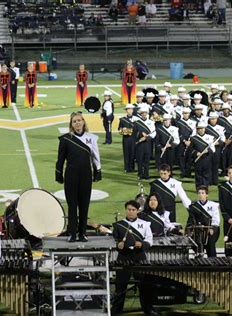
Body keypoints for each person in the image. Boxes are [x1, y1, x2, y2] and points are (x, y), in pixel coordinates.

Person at [56, 112, 102, 242]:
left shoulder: (91, 138)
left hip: (86, 174)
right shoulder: (65, 139)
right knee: (72, 205)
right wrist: (58, 174)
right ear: (71, 124)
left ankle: (83, 233)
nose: (77, 123)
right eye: (74, 121)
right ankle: (71, 233)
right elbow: (60, 159)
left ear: (83, 122)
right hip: (71, 175)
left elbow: (95, 156)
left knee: (84, 204)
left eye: (79, 120)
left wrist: (97, 171)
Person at [111, 200, 155, 315]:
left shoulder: (145, 224)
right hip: (123, 257)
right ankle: (116, 311)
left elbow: (150, 240)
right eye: (129, 210)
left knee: (144, 285)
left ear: (137, 211)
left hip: (139, 256)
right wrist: (118, 245)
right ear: (126, 210)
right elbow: (114, 241)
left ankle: (148, 309)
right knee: (120, 286)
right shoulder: (119, 225)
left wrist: (142, 244)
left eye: (133, 210)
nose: (130, 212)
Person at [187, 186, 220, 257]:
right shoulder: (194, 206)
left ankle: (213, 260)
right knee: (196, 242)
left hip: (210, 230)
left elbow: (216, 219)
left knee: (210, 243)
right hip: (198, 231)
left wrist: (212, 229)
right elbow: (191, 220)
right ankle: (198, 258)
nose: (201, 195)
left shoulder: (213, 205)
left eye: (203, 193)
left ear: (207, 195)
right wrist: (189, 230)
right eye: (199, 193)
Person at [190, 121, 217, 187]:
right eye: (200, 128)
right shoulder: (193, 138)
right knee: (198, 174)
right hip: (198, 159)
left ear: (205, 129)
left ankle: (205, 188)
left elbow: (213, 149)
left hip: (207, 159)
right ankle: (199, 188)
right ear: (197, 130)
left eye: (203, 128)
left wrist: (207, 150)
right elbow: (190, 149)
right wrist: (196, 153)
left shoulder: (210, 137)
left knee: (206, 174)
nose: (201, 130)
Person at [134, 104, 156, 180]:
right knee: (139, 160)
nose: (143, 114)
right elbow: (134, 133)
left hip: (148, 144)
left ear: (147, 113)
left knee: (146, 160)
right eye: (142, 113)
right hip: (139, 144)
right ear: (140, 114)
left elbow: (154, 134)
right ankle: (140, 174)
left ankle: (146, 175)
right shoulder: (137, 122)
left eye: (145, 113)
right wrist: (140, 134)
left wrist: (146, 137)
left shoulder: (151, 122)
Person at [118, 104, 139, 173]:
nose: (129, 111)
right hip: (126, 139)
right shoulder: (122, 119)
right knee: (126, 153)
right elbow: (119, 129)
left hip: (134, 138)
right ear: (126, 110)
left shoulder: (136, 119)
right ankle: (126, 168)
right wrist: (123, 130)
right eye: (128, 109)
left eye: (131, 109)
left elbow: (139, 129)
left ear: (133, 110)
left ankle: (132, 168)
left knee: (133, 153)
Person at [176, 107, 196, 177]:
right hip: (182, 142)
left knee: (189, 157)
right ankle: (183, 172)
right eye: (184, 113)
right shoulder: (178, 122)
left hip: (190, 142)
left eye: (187, 113)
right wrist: (184, 141)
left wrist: (190, 141)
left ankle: (188, 172)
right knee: (181, 157)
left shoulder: (193, 122)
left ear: (189, 114)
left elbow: (194, 133)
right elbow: (178, 133)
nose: (185, 115)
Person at [206, 112, 226, 185]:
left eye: (214, 119)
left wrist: (219, 143)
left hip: (217, 148)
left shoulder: (221, 128)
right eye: (211, 119)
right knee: (208, 165)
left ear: (217, 119)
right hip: (208, 148)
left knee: (215, 165)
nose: (213, 120)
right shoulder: (206, 128)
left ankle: (215, 181)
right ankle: (209, 181)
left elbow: (223, 139)